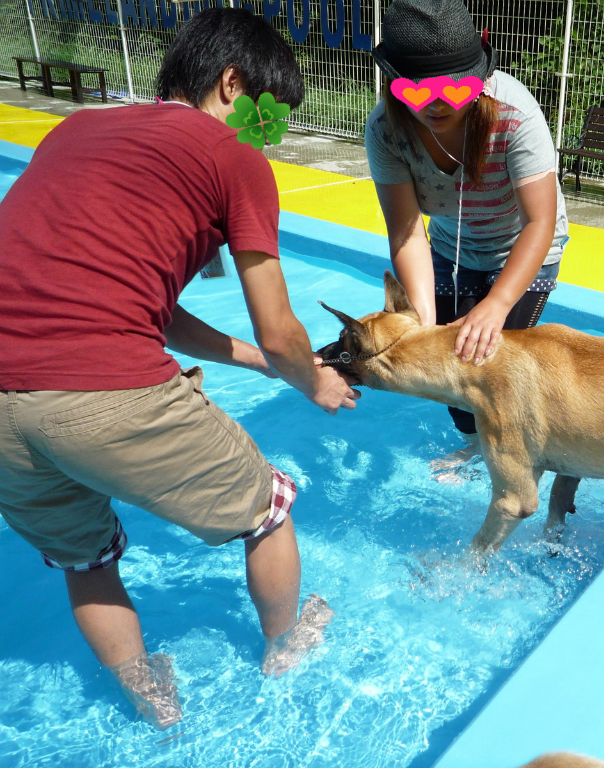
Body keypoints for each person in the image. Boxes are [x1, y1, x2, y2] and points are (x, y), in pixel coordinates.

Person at [0, 9, 359, 729]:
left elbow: (147, 309)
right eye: (269, 118)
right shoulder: (234, 157)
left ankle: (153, 703)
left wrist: (259, 366)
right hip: (103, 388)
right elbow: (280, 326)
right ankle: (285, 646)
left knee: (86, 560)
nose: (270, 138)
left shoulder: (75, 130)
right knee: (269, 508)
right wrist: (311, 378)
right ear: (232, 84)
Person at [365, 0, 569, 465]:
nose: (436, 104)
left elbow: (539, 223)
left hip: (524, 245)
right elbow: (407, 234)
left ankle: (519, 449)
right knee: (449, 369)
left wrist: (497, 304)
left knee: (488, 363)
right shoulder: (386, 131)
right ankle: (477, 444)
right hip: (450, 246)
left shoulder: (515, 115)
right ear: (395, 84)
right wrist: (421, 324)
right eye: (418, 90)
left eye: (452, 89)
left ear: (477, 79)